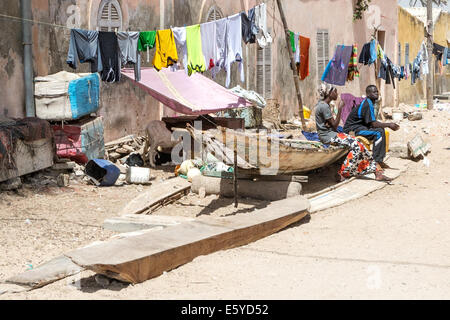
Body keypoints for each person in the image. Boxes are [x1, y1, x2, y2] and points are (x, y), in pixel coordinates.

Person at [315, 83, 392, 182]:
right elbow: (334, 125)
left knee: (360, 145)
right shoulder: (324, 106)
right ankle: (342, 173)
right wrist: (340, 109)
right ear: (329, 93)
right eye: (334, 91)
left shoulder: (324, 105)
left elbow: (329, 125)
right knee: (357, 146)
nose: (337, 93)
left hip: (331, 135)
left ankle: (377, 172)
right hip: (328, 136)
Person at [343, 85, 400, 170]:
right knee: (379, 132)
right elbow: (373, 124)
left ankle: (379, 160)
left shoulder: (370, 103)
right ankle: (375, 162)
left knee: (381, 130)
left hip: (360, 127)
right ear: (368, 94)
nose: (376, 93)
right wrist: (389, 125)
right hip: (353, 130)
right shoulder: (367, 104)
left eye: (377, 91)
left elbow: (371, 122)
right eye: (374, 92)